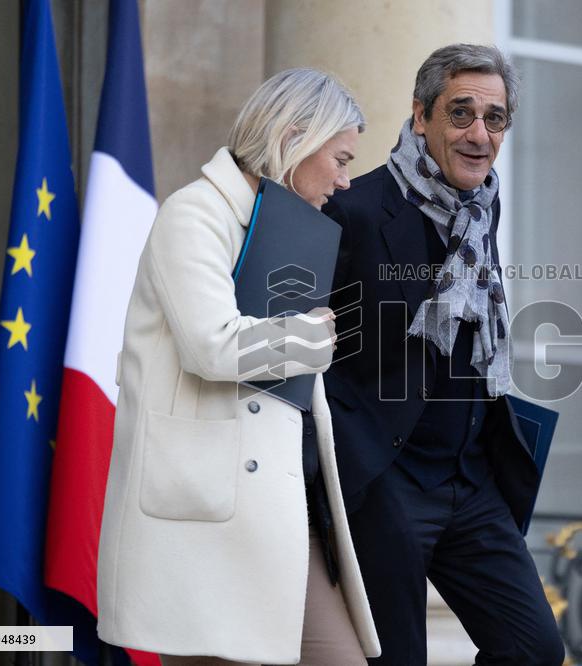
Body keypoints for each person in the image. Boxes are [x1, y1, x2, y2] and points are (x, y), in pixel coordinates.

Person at [97, 68, 380, 666]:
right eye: (341, 158)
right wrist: (314, 337)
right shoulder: (194, 213)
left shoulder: (285, 231)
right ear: (296, 135)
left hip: (279, 512)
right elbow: (213, 346)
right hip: (202, 519)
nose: (345, 180)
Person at [323, 44, 565, 665]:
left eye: (495, 119)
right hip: (388, 480)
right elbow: (302, 352)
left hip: (473, 479)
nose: (480, 135)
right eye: (461, 114)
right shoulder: (352, 208)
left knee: (533, 649)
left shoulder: (482, 208)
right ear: (420, 115)